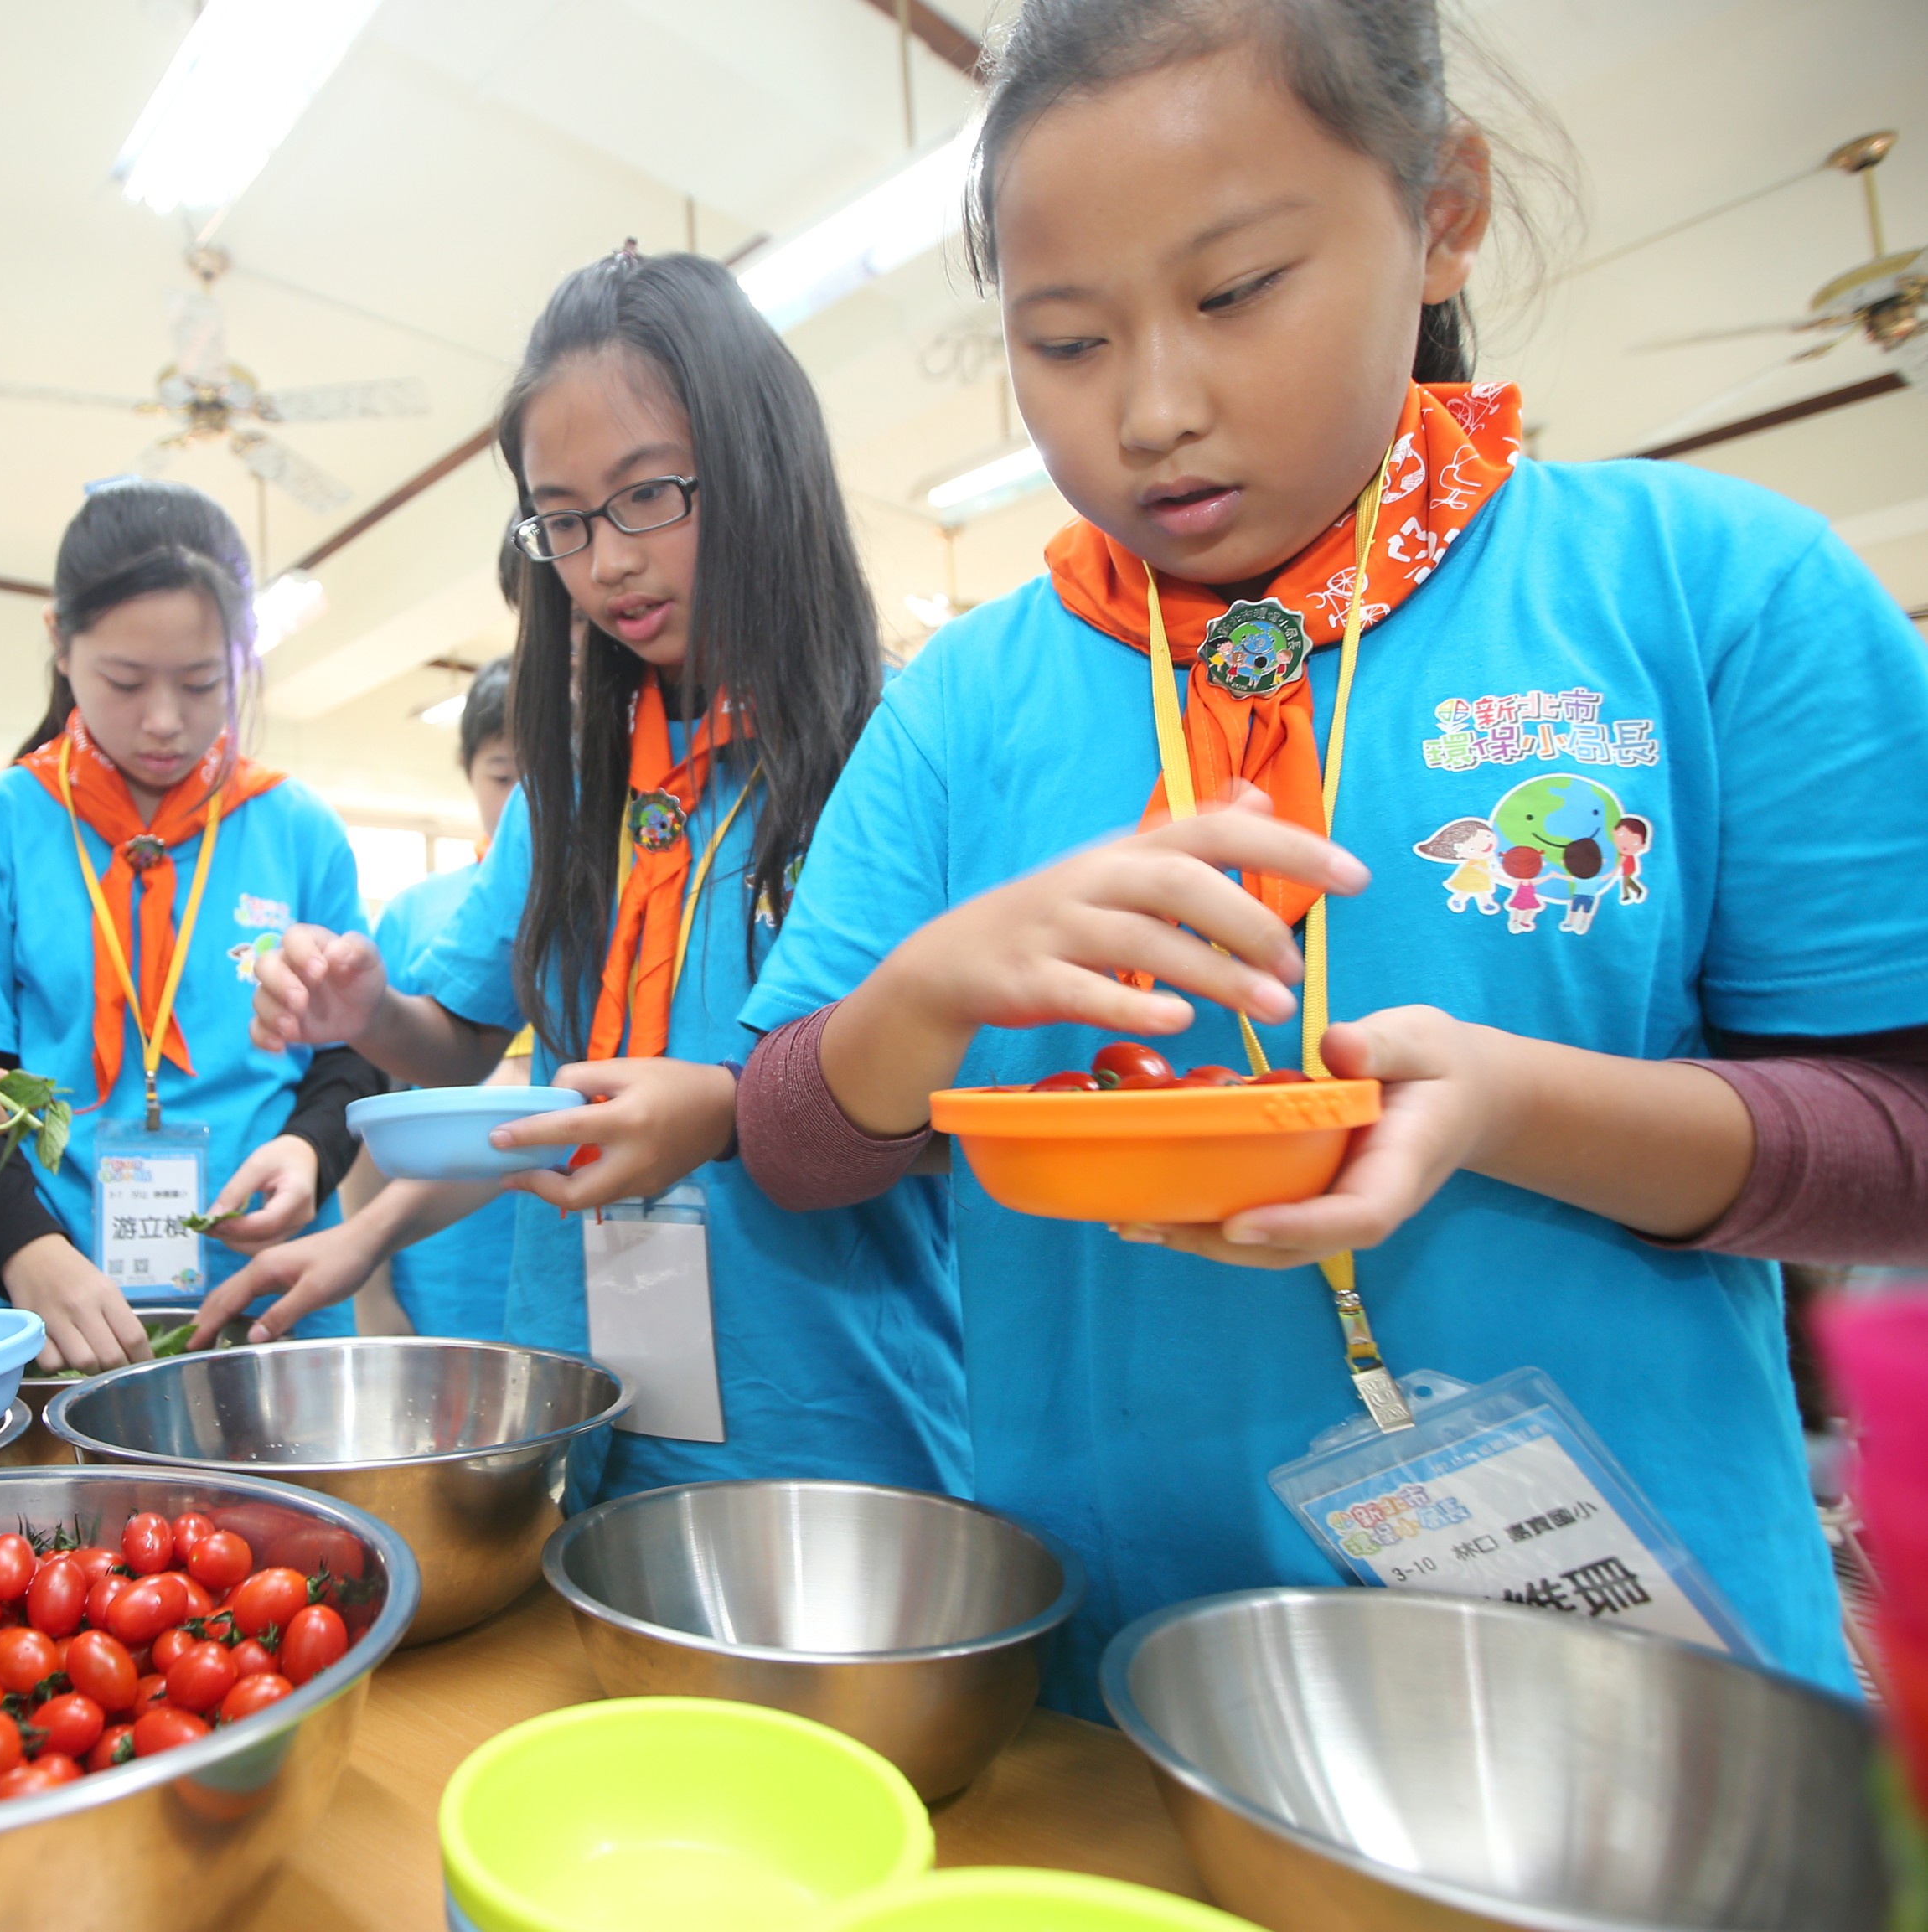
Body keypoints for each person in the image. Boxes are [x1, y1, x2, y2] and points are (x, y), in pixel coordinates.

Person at [731, 0, 1928, 1715]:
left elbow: (1897, 1133)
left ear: (1441, 202)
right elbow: (787, 1141)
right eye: (1062, 342)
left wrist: (1521, 1106)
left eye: (1233, 295)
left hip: (1633, 1704)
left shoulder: (1706, 594)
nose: (1152, 408)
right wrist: (919, 999)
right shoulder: (964, 706)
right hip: (1115, 1694)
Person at [232, 250, 964, 1505]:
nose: (604, 562)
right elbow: (458, 1050)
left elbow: (951, 1111)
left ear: (758, 467)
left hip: (826, 1414)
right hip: (584, 1398)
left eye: (645, 498)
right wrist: (367, 1018)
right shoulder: (570, 782)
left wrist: (731, 1107)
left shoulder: (890, 751)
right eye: (561, 520)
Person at [0, 479, 385, 1371]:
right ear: (59, 642)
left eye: (204, 682)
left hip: (277, 1297)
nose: (166, 721)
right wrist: (22, 1249)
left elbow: (353, 1056)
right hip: (61, 1307)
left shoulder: (296, 827)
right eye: (125, 681)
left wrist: (308, 1150)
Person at [352, 654, 525, 1341]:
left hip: (590, 1263)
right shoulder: (416, 915)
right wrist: (369, 1293)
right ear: (467, 767)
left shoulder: (621, 906)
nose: (525, 806)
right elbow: (370, 1115)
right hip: (440, 1268)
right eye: (505, 777)